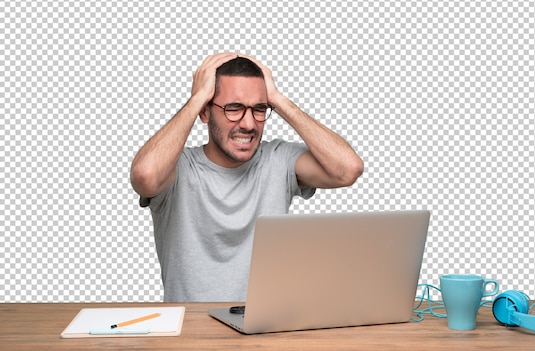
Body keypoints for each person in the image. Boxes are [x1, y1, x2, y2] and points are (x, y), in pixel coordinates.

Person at [130, 52, 364, 302]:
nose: (249, 124)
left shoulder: (278, 159)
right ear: (205, 113)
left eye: (259, 109)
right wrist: (197, 98)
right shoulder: (179, 168)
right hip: (191, 330)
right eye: (234, 108)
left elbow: (348, 169)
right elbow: (145, 175)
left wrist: (278, 99)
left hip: (263, 328)